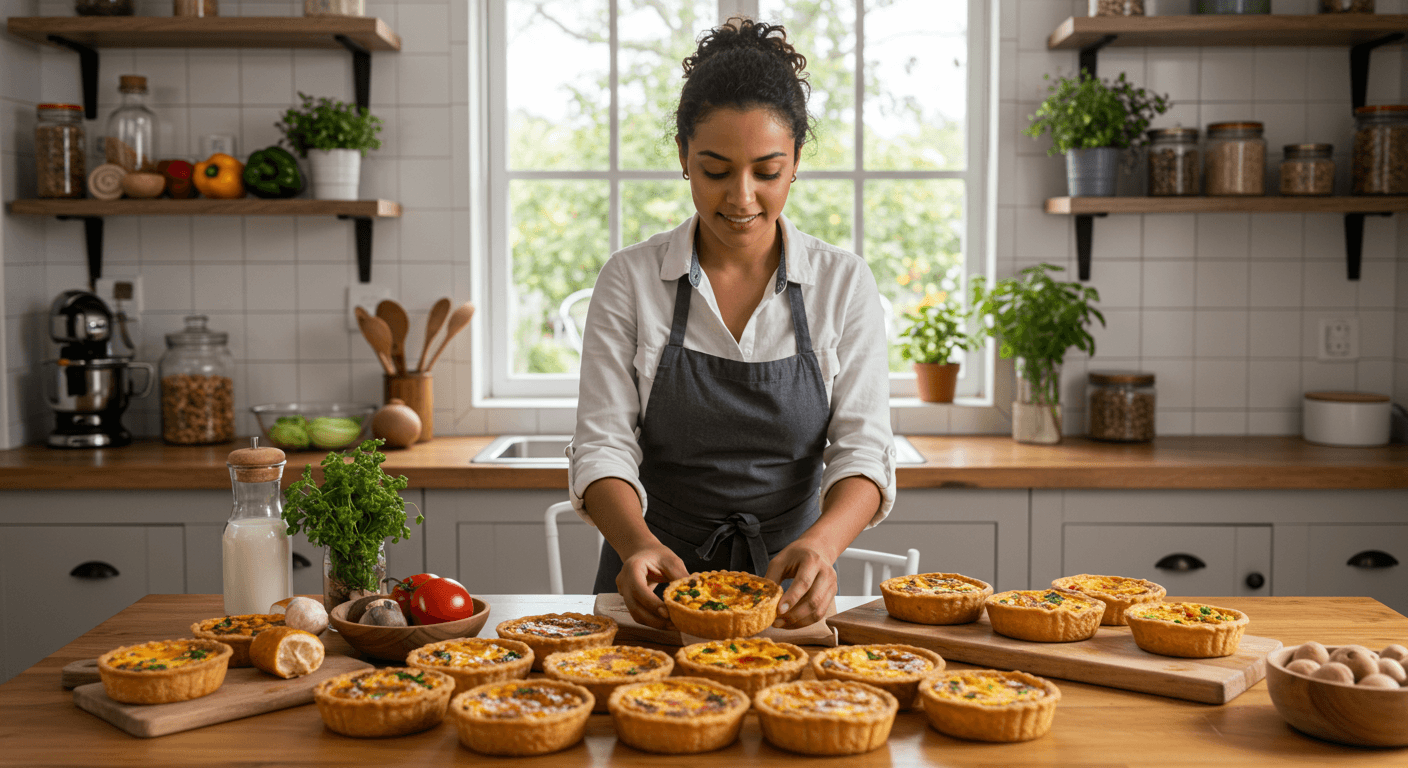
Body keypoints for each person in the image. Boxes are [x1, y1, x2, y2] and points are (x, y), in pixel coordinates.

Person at [568, 18, 895, 631]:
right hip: (653, 588)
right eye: (715, 171)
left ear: (795, 161)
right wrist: (637, 544)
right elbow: (603, 445)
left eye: (766, 172)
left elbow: (863, 451)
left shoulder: (843, 283)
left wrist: (822, 547)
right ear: (683, 159)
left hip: (790, 591)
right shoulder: (631, 280)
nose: (742, 198)